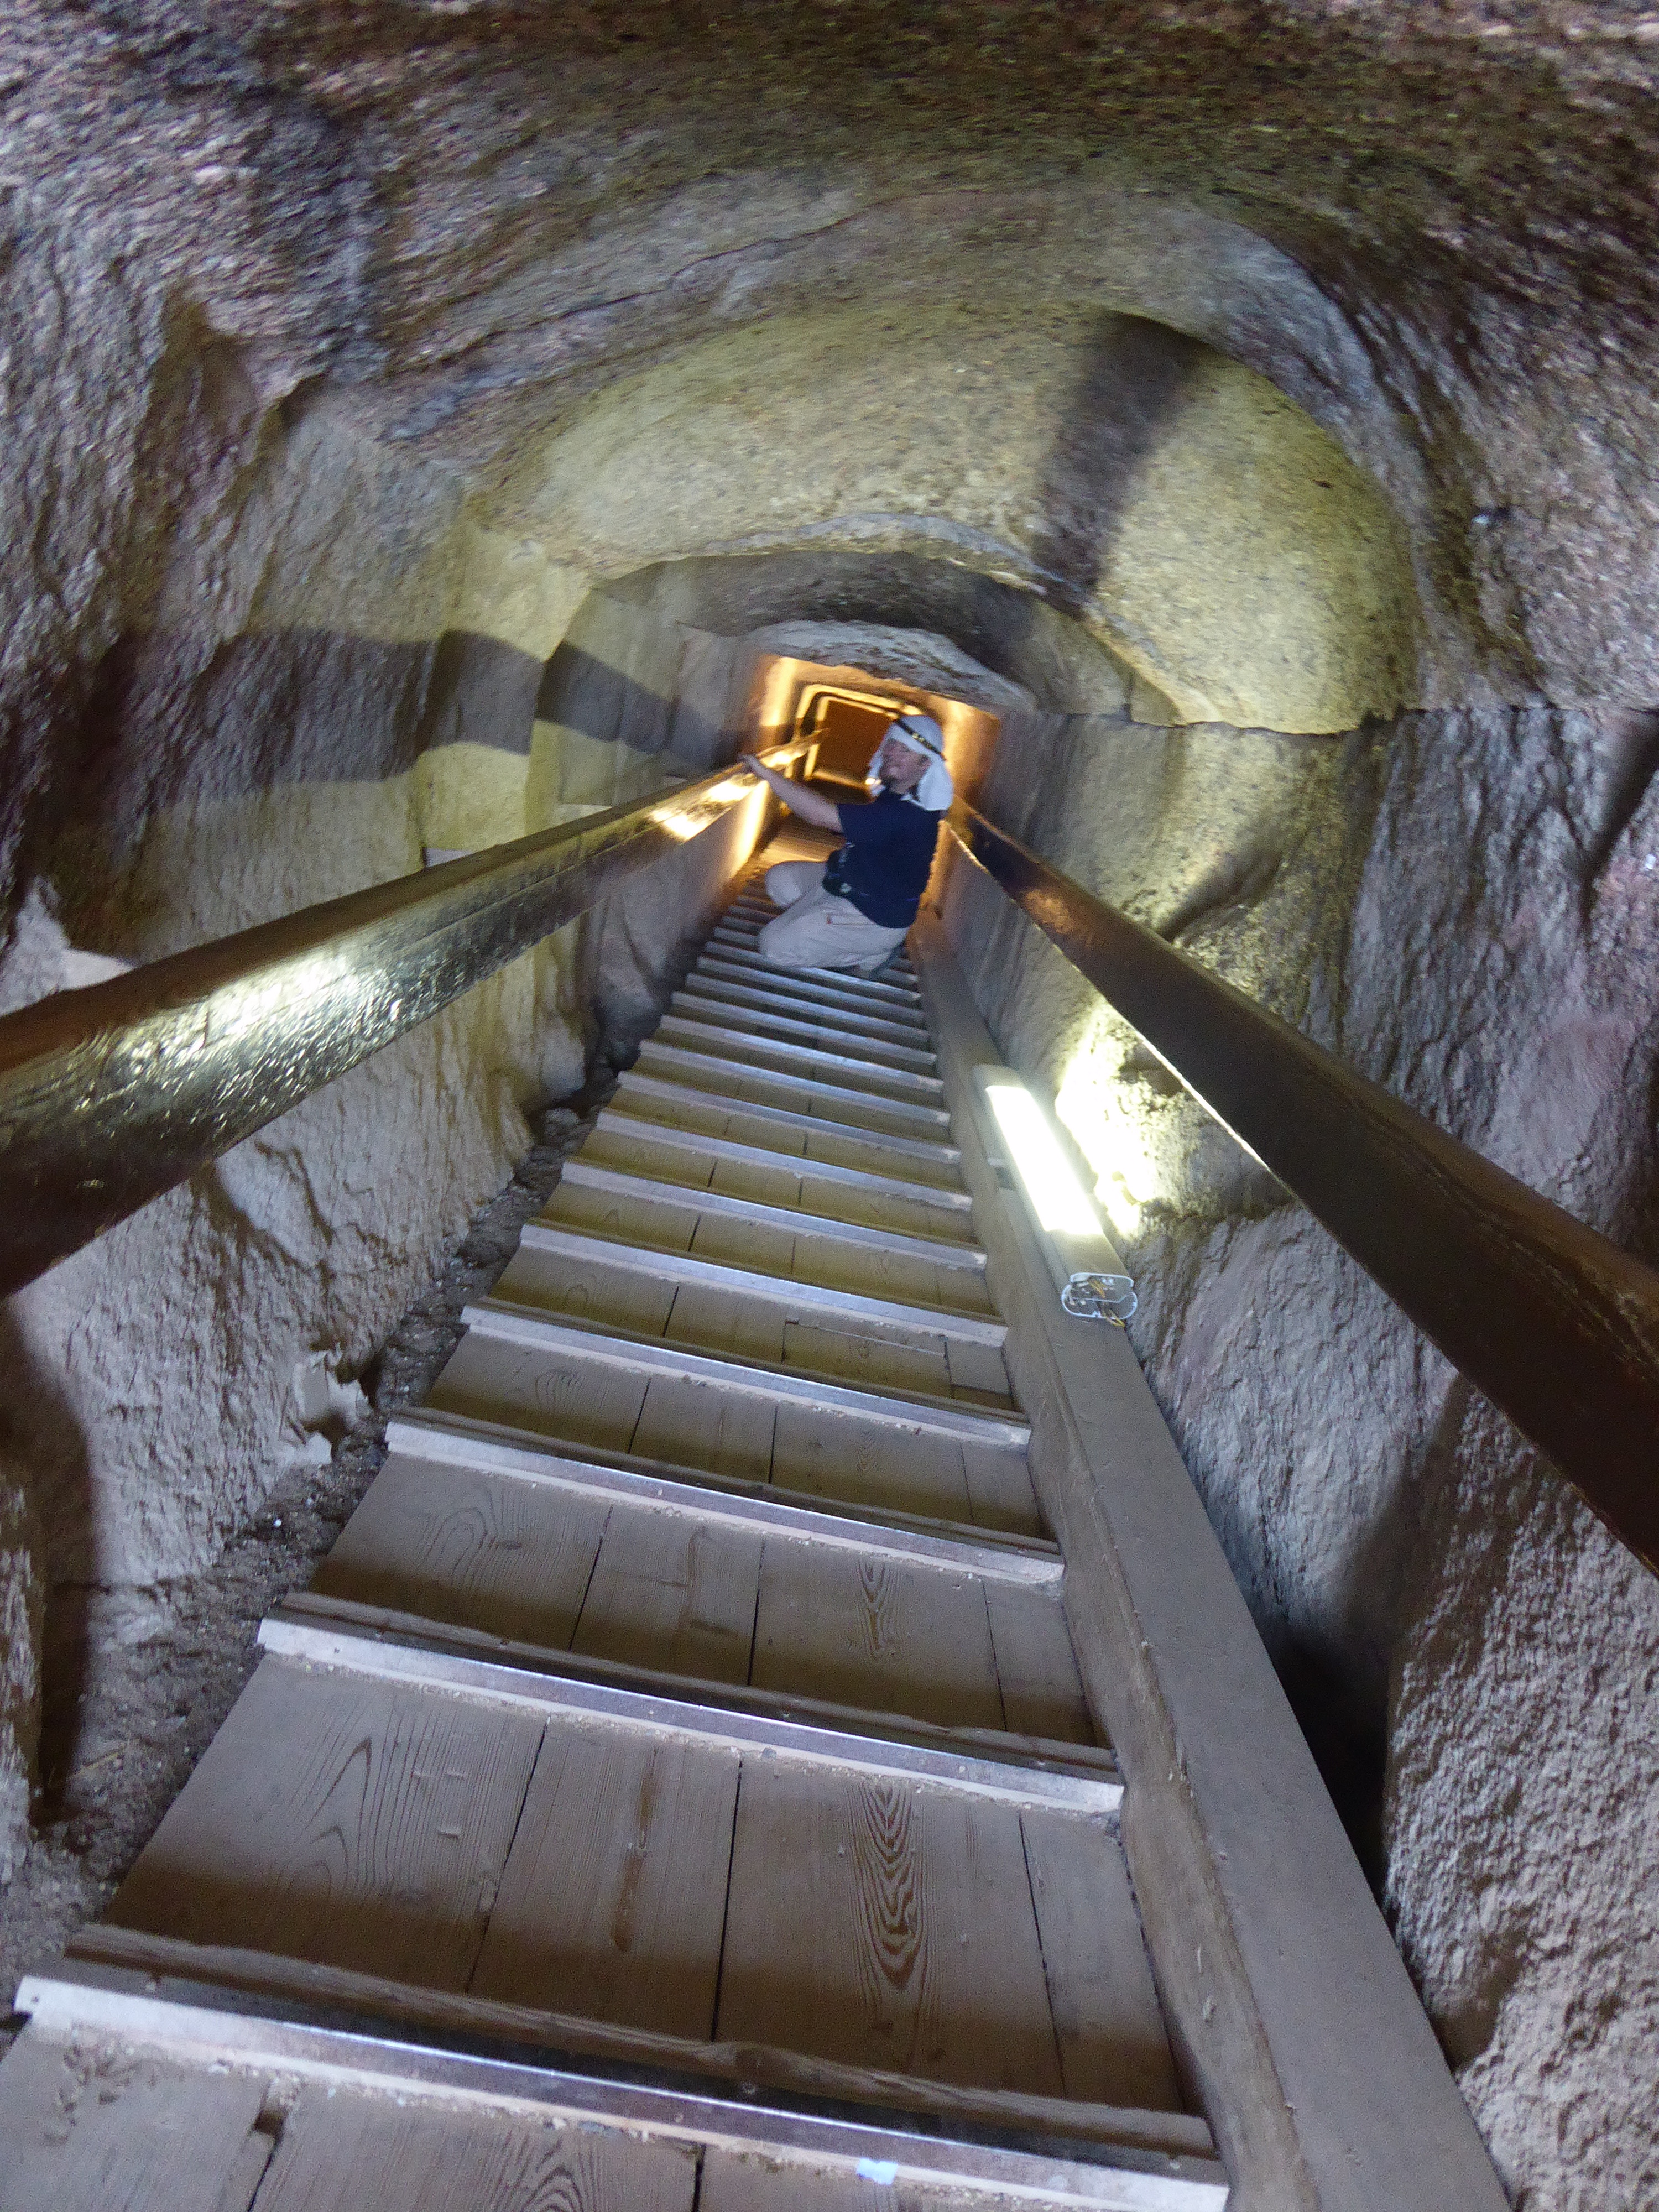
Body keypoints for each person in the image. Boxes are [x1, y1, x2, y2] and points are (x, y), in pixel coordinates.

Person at [740, 712, 954, 974]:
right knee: (779, 880)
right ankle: (819, 927)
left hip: (871, 916)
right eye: (893, 744)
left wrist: (767, 774)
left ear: (925, 765)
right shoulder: (899, 794)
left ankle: (871, 954)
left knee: (772, 946)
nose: (893, 753)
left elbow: (818, 815)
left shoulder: (908, 814)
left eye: (906, 751)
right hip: (846, 882)